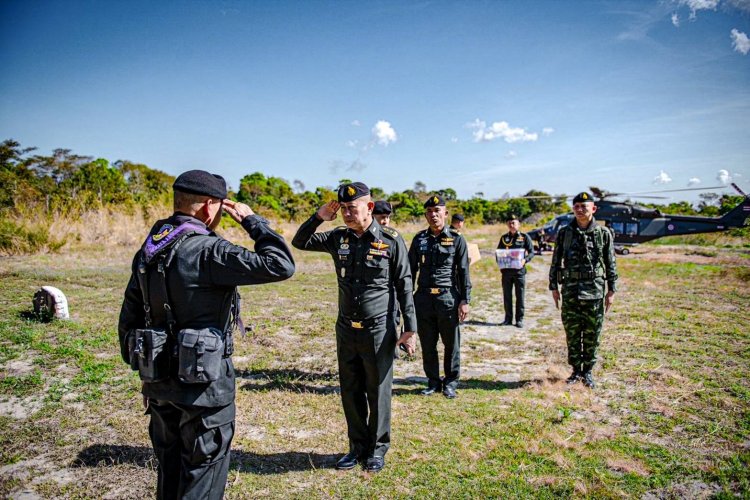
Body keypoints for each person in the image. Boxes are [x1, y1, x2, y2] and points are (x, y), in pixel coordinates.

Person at [118, 170, 295, 499]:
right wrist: (253, 221)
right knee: (204, 474)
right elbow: (281, 264)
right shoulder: (209, 251)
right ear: (209, 207)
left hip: (159, 382)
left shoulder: (151, 246)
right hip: (205, 389)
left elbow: (130, 312)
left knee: (169, 469)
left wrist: (142, 362)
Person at [292, 182, 417, 473]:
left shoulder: (391, 239)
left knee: (378, 391)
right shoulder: (338, 238)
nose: (348, 213)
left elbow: (405, 284)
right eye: (344, 208)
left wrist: (409, 328)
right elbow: (300, 241)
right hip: (347, 329)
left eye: (353, 207)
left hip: (379, 330)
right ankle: (356, 447)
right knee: (351, 390)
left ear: (370, 207)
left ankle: (377, 449)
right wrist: (318, 216)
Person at [549, 191, 618, 389]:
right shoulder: (564, 232)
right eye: (576, 206)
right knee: (572, 333)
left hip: (594, 291)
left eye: (584, 207)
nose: (580, 210)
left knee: (592, 333)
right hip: (570, 291)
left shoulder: (603, 233)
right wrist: (553, 286)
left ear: (593, 209)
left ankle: (587, 371)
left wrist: (611, 290)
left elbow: (610, 263)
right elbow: (556, 260)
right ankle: (575, 370)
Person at [408, 195, 472, 399]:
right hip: (424, 298)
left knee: (451, 343)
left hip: (448, 298)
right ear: (426, 215)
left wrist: (465, 300)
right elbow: (410, 270)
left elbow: (463, 271)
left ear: (445, 213)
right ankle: (433, 381)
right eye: (429, 212)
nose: (433, 215)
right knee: (428, 343)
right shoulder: (419, 239)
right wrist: (407, 298)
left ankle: (451, 382)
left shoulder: (457, 239)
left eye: (437, 211)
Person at [497, 214, 534, 328]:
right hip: (507, 272)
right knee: (507, 296)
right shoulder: (504, 238)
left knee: (520, 296)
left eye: (514, 222)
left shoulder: (524, 237)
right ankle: (508, 319)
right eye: (509, 223)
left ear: (518, 224)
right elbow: (498, 252)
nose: (511, 225)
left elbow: (532, 252)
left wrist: (525, 260)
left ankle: (519, 319)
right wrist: (500, 261)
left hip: (519, 272)